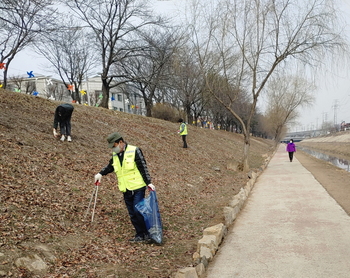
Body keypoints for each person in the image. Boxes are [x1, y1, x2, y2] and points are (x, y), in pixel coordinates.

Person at [94, 132, 156, 243]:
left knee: (138, 211)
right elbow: (110, 166)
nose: (114, 149)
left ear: (121, 142)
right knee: (132, 213)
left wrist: (149, 182)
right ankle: (140, 235)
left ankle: (147, 234)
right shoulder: (115, 155)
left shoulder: (135, 150)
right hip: (125, 188)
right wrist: (100, 174)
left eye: (114, 146)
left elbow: (143, 166)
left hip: (137, 187)